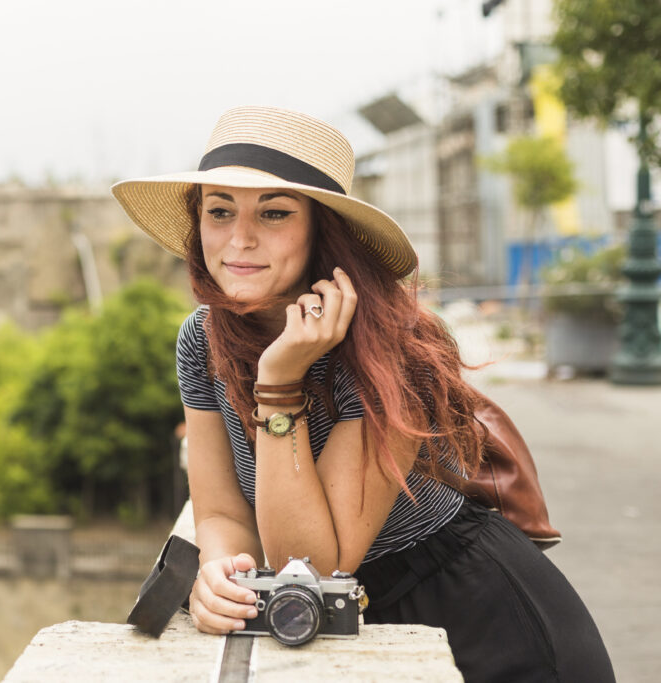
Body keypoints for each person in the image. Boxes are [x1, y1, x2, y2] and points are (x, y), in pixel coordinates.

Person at [112, 106, 614, 682]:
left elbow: (312, 563)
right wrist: (223, 572)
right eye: (219, 211)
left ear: (323, 229)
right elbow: (222, 508)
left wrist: (279, 383)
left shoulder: (390, 346)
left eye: (273, 213)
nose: (240, 238)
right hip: (326, 618)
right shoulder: (203, 339)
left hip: (471, 614)